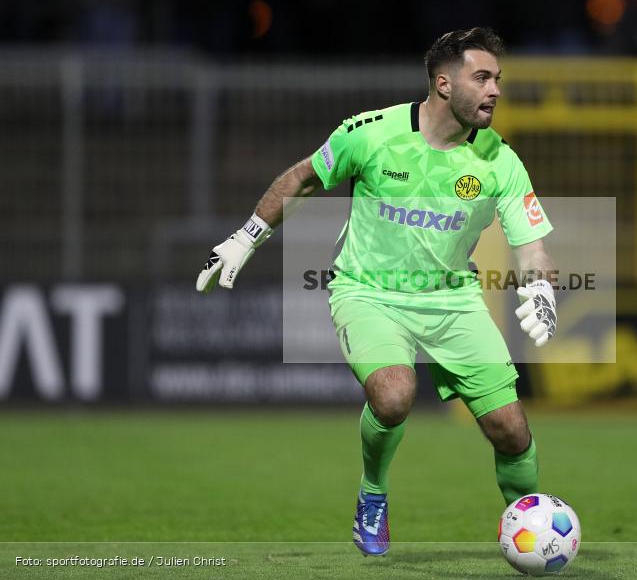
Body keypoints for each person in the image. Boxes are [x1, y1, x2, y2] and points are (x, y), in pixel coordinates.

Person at [196, 27, 558, 557]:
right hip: (368, 292)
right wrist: (244, 239)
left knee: (511, 431)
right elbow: (302, 178)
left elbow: (531, 245)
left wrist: (542, 288)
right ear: (442, 83)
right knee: (392, 396)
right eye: (481, 78)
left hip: (451, 299)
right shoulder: (369, 134)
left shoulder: (499, 159)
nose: (495, 90)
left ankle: (535, 525)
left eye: (497, 79)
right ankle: (373, 493)